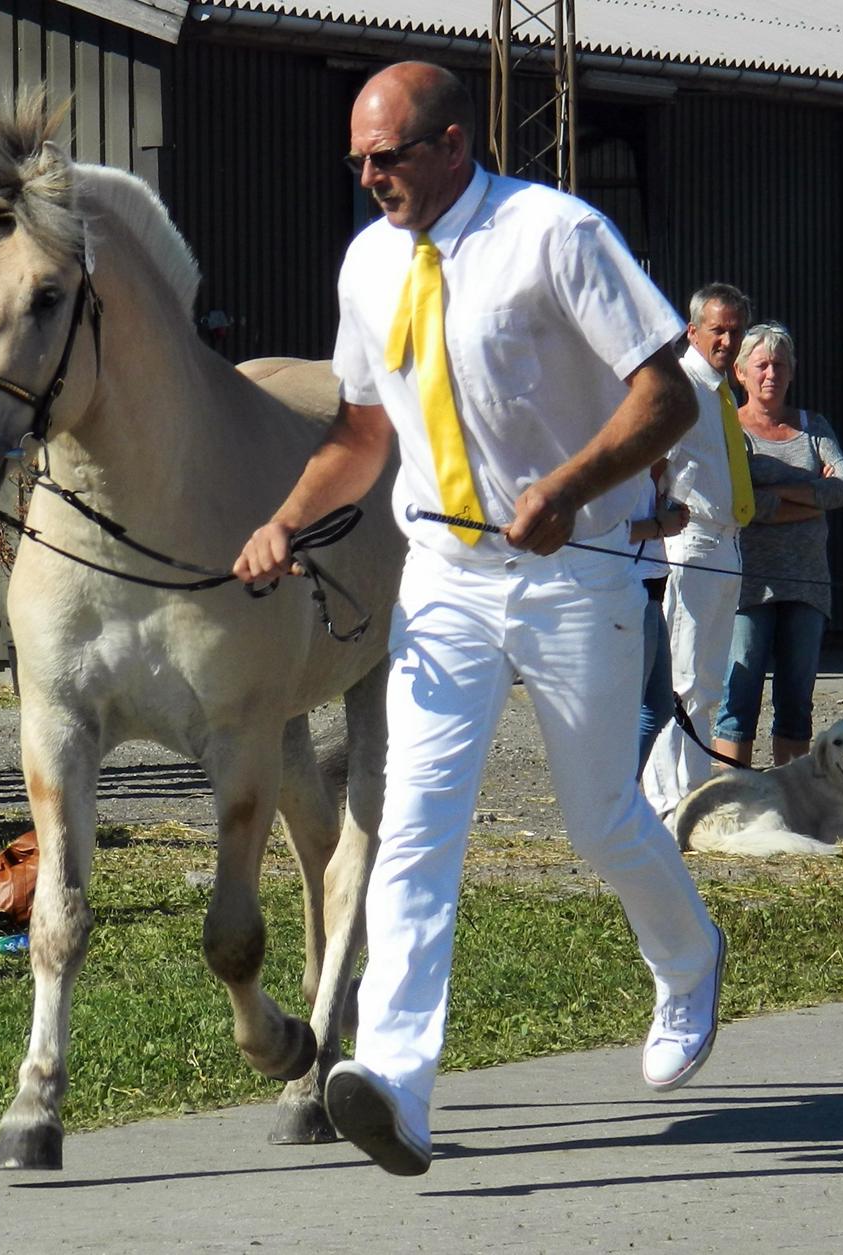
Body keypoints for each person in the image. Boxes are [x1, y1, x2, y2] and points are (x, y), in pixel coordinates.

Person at [234, 62, 725, 1176]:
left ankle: (690, 956)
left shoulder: (556, 234)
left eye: (388, 156)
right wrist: (283, 520)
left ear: (454, 143)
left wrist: (564, 486)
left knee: (599, 817)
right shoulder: (368, 264)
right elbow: (363, 432)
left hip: (573, 571)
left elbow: (668, 394)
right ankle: (396, 1084)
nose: (368, 178)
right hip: (443, 576)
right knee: (414, 822)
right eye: (357, 160)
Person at [712, 324, 843, 767]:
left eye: (780, 365)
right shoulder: (731, 431)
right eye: (762, 365)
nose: (771, 373)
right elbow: (745, 506)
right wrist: (812, 491)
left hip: (808, 583)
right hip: (748, 584)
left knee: (796, 702)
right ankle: (733, 803)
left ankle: (789, 805)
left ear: (792, 372)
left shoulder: (814, 427)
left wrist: (776, 494)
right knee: (739, 699)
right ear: (741, 373)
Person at [641, 283, 753, 819]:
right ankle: (667, 802)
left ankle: (693, 794)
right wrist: (656, 524)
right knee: (681, 678)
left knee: (708, 680)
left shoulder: (720, 392)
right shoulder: (682, 386)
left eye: (735, 331)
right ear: (692, 330)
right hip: (692, 540)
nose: (727, 341)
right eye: (718, 330)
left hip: (728, 542)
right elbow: (653, 466)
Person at [628, 477, 689, 774]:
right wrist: (659, 526)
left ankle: (623, 792)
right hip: (631, 590)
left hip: (652, 589)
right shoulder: (622, 470)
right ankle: (617, 798)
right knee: (631, 709)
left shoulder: (650, 475)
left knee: (660, 706)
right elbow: (608, 533)